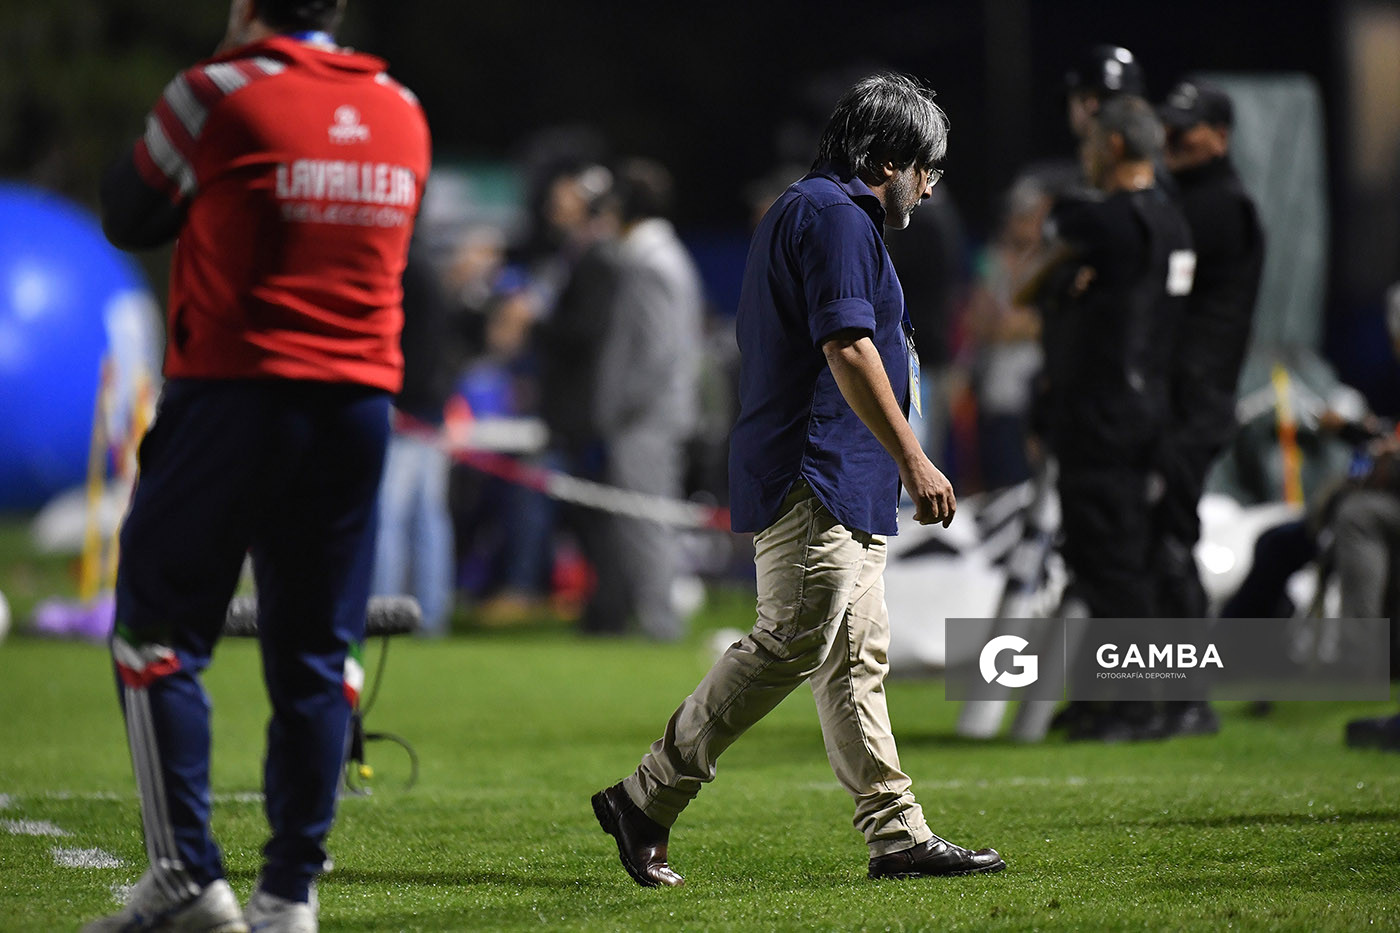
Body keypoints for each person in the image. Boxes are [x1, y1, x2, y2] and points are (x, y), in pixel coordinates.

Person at [591, 73, 1004, 886]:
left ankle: (896, 832)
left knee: (854, 658)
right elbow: (848, 347)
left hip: (833, 465)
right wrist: (915, 457)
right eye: (927, 166)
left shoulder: (813, 210)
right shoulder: (834, 216)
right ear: (887, 158)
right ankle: (644, 795)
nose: (930, 183)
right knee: (791, 640)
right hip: (816, 465)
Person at [88, 0, 429, 929]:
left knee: (156, 636)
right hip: (358, 406)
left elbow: (127, 212)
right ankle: (290, 896)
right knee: (318, 654)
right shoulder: (401, 106)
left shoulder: (216, 92)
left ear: (246, 6)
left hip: (234, 392)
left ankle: (189, 878)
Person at [1025, 96, 1194, 741]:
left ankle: (1134, 704)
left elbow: (1052, 239)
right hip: (1150, 408)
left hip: (1101, 412)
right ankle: (1111, 699)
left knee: (1108, 560)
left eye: (1092, 146)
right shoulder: (1172, 224)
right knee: (1119, 555)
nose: (1085, 158)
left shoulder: (1106, 223)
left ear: (1117, 147)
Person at [1150, 79, 1266, 736]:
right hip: (1184, 397)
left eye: (1187, 129)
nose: (1173, 139)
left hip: (1193, 401)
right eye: (1169, 126)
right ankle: (1161, 693)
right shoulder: (1198, 198)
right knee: (1156, 537)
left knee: (1168, 538)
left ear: (1220, 135)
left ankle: (1188, 697)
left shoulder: (1217, 204)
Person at [371, 242, 457, 637]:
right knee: (428, 518)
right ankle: (432, 616)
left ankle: (385, 614)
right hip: (429, 412)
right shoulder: (426, 267)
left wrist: (396, 399)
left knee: (391, 516)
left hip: (407, 415)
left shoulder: (403, 267)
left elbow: (413, 348)